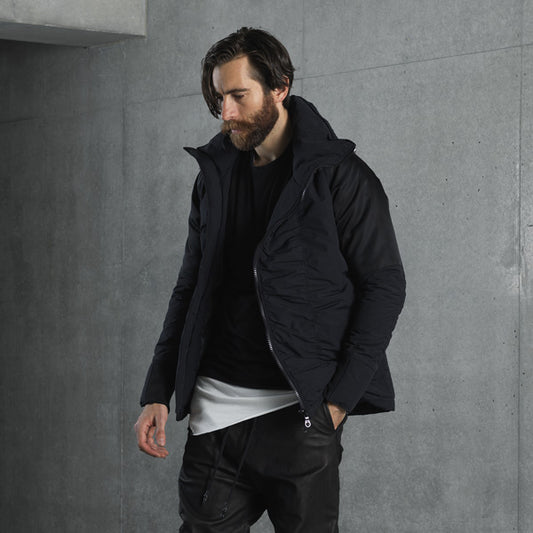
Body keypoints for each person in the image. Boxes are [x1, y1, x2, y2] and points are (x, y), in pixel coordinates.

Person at [134, 27, 406, 533]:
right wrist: (157, 389)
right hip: (215, 416)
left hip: (300, 415)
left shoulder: (339, 176)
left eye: (239, 95)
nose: (226, 112)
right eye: (219, 98)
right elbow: (190, 287)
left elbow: (384, 285)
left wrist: (337, 403)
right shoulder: (214, 177)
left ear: (280, 87)